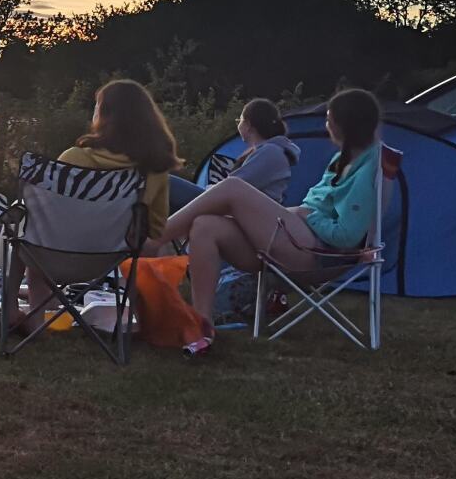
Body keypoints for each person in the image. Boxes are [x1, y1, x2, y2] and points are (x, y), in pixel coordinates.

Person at [160, 87, 383, 348]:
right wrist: (299, 213)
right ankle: (201, 326)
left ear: (346, 124)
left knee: (232, 188)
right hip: (296, 237)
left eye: (330, 118)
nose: (327, 124)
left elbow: (347, 236)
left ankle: (156, 236)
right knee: (205, 225)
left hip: (317, 254)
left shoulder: (369, 167)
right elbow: (314, 208)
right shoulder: (341, 159)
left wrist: (306, 215)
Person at [11, 79, 179, 330]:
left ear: (105, 115)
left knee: (19, 231)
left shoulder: (73, 158)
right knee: (149, 249)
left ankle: (24, 316)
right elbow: (156, 228)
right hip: (112, 260)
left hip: (51, 257)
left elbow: (49, 215)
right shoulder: (155, 169)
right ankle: (144, 320)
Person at [166, 98, 300, 209]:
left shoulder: (271, 152)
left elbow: (233, 186)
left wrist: (207, 190)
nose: (238, 124)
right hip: (231, 205)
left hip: (234, 210)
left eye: (239, 120)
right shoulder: (267, 151)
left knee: (164, 182)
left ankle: (155, 235)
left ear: (248, 124)